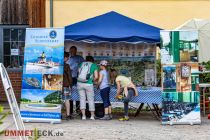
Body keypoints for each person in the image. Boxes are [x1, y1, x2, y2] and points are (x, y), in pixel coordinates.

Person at [77, 56, 98, 120]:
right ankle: (92, 116)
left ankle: (83, 116)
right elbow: (96, 76)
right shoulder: (94, 65)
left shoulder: (81, 64)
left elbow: (78, 73)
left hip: (79, 83)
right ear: (92, 60)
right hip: (88, 84)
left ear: (86, 60)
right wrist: (92, 80)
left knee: (82, 99)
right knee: (90, 99)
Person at [66, 46, 84, 113]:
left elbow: (83, 67)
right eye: (71, 50)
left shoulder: (80, 58)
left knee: (78, 93)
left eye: (73, 50)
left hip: (77, 78)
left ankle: (78, 110)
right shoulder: (68, 58)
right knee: (69, 94)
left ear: (76, 51)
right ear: (69, 51)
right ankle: (70, 111)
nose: (72, 52)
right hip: (68, 78)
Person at [62, 52, 73, 120]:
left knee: (58, 100)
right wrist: (70, 85)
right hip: (66, 85)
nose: (68, 59)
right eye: (67, 57)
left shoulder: (57, 64)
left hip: (57, 85)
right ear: (65, 57)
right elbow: (69, 76)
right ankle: (68, 114)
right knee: (67, 100)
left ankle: (58, 114)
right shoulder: (66, 66)